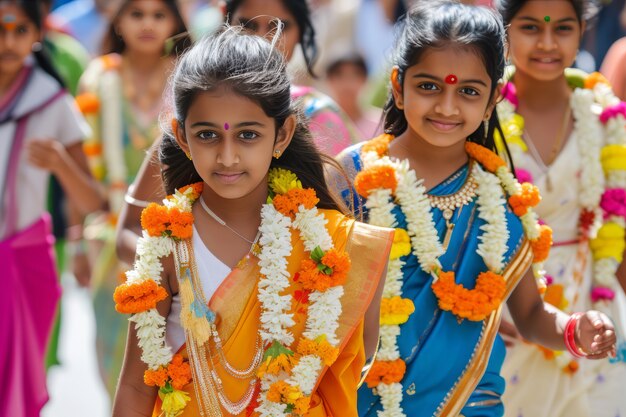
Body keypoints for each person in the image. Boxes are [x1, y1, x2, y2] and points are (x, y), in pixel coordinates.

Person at [335, 2, 617, 416]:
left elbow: (531, 314)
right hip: (369, 399)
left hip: (471, 400)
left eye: (468, 91)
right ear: (398, 86)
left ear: (491, 101)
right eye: (429, 86)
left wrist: (574, 329)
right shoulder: (353, 177)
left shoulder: (501, 195)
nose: (447, 107)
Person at [111, 26, 392, 417]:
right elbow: (133, 386)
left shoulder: (330, 245)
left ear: (282, 135)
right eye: (208, 135)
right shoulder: (169, 245)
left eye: (248, 135)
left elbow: (348, 368)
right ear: (182, 136)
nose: (227, 157)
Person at [114, 0, 360, 267]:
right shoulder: (194, 120)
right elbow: (129, 230)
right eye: (248, 24)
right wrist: (185, 271)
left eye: (280, 26)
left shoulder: (320, 116)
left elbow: (340, 230)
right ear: (226, 22)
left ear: (283, 134)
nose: (264, 38)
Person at [494, 1, 626, 416]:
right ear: (506, 32)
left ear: (583, 30)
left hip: (595, 296)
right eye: (530, 27)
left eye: (562, 29)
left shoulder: (603, 114)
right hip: (507, 307)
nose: (547, 43)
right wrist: (481, 311)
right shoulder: (480, 111)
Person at [74, 0, 190, 399]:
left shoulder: (188, 79)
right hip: (110, 237)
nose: (148, 24)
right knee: (114, 346)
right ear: (118, 21)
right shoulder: (98, 80)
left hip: (180, 237)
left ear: (174, 22)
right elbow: (84, 162)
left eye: (159, 15)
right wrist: (76, 242)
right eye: (136, 14)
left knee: (172, 347)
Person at [0, 1, 103, 416]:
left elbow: (92, 200)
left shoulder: (51, 100)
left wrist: (60, 161)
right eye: (0, 29)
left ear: (38, 33)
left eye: (20, 30)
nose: (8, 41)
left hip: (22, 263)